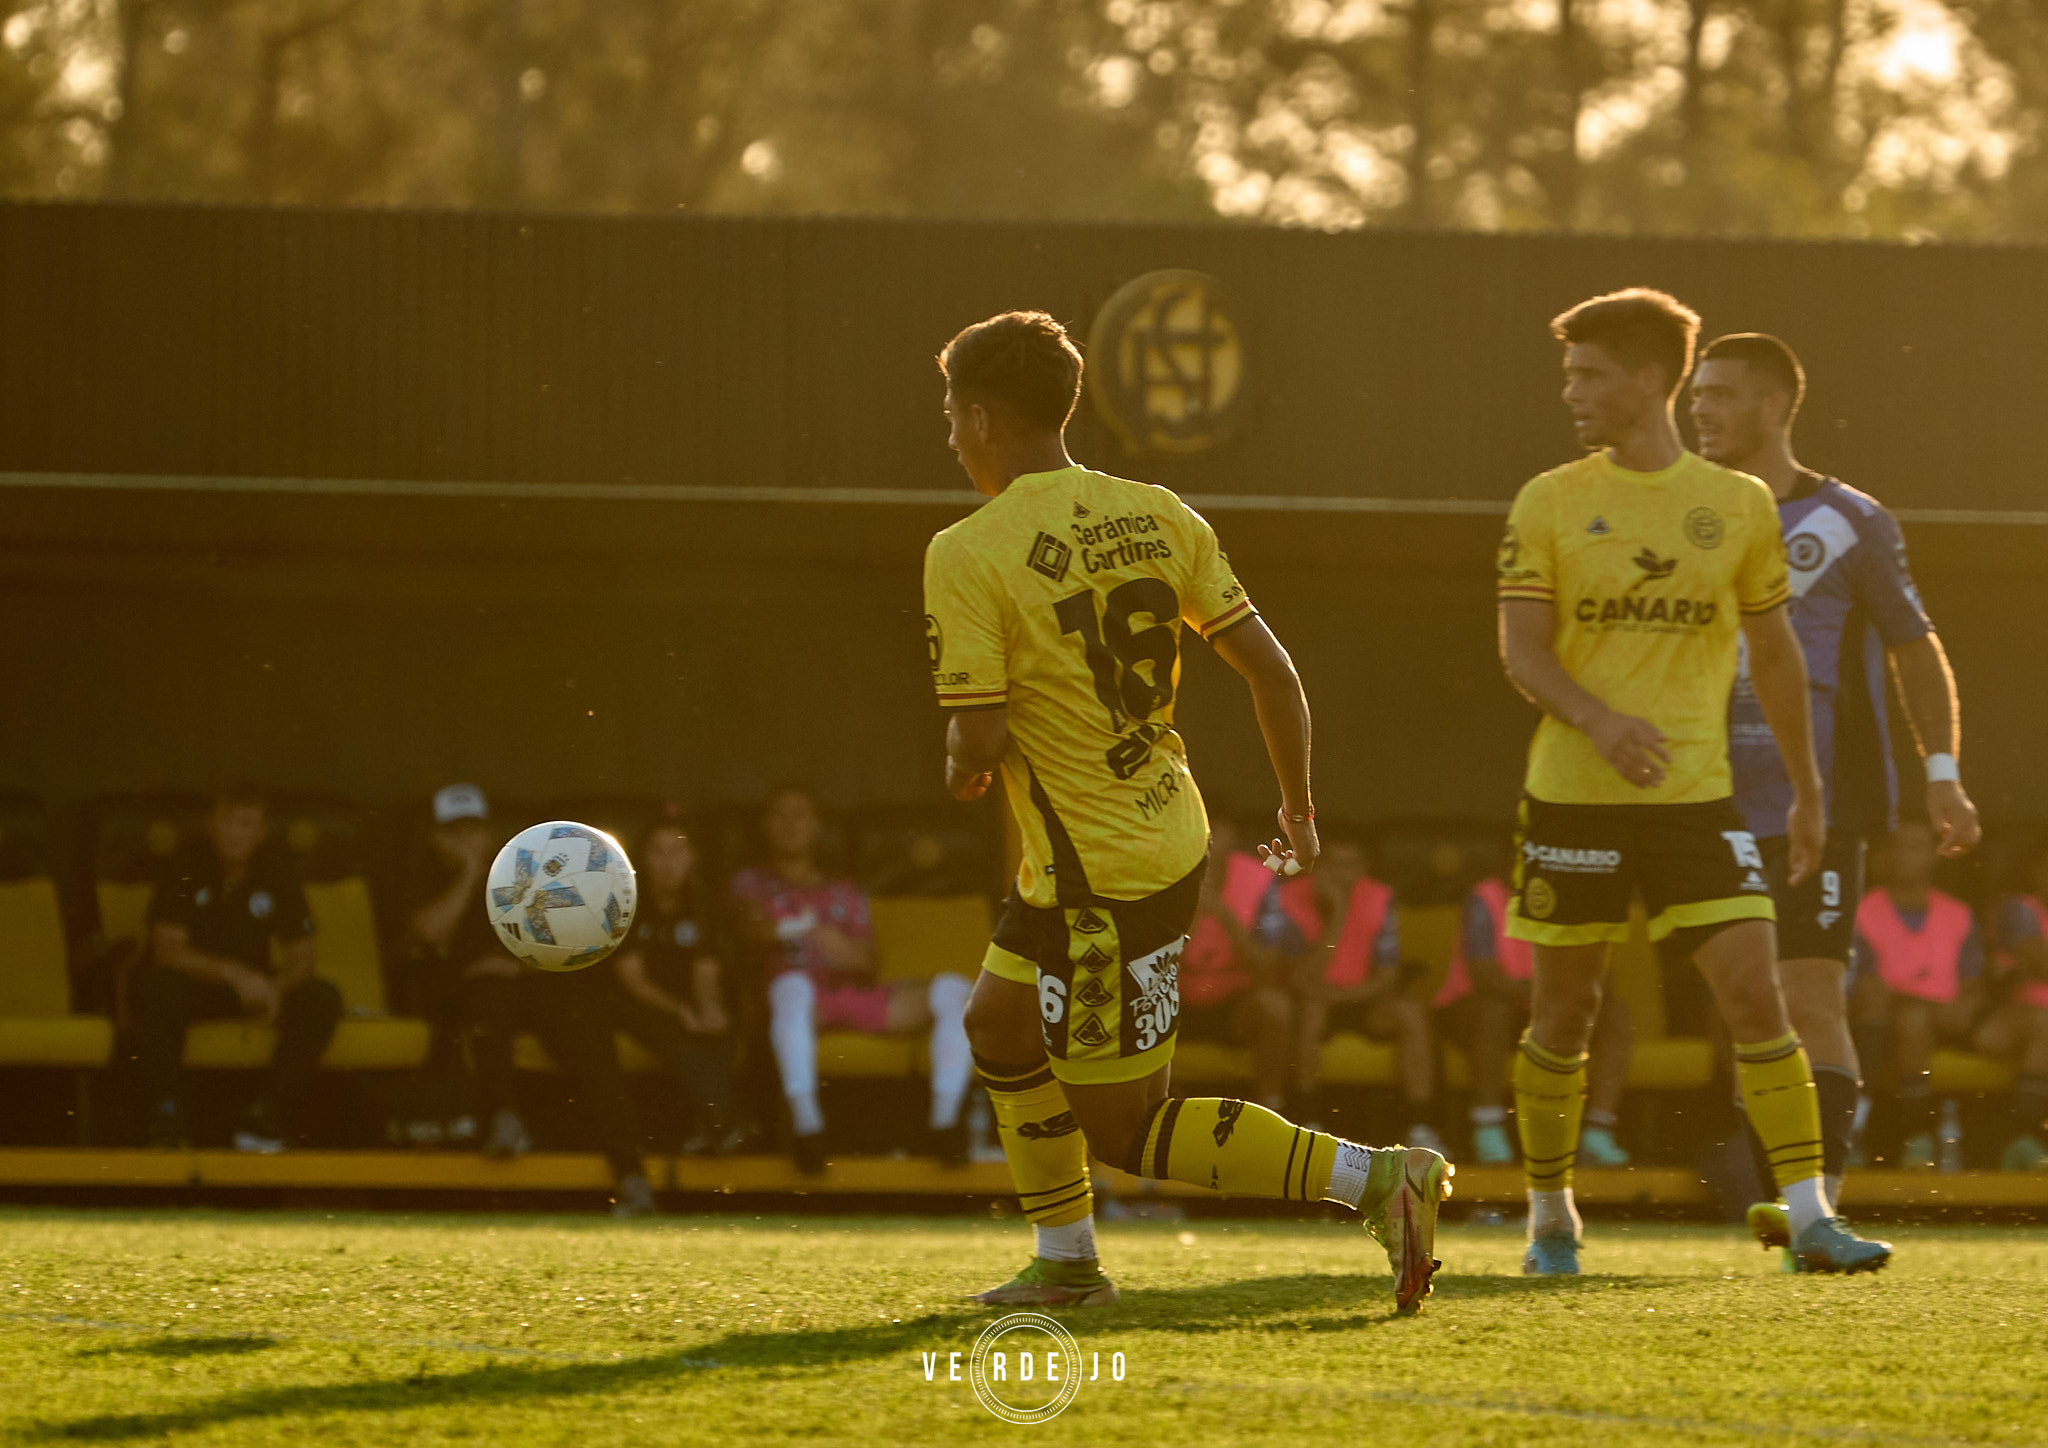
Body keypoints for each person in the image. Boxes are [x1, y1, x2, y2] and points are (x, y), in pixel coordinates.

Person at [927, 309, 1450, 1316]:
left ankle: (1381, 1181)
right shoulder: (1157, 511)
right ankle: (1066, 1255)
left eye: (950, 414)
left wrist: (960, 760)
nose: (948, 437)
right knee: (996, 1021)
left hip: (1100, 870)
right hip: (1152, 825)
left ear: (983, 415)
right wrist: (1298, 806)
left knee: (1124, 1127)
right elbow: (1272, 670)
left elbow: (978, 742)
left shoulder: (967, 549)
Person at [1495, 287, 1888, 1274]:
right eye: (1568, 374)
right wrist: (1597, 717)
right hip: (1572, 797)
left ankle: (1806, 1214)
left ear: (1644, 379)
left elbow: (1777, 659)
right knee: (1564, 1013)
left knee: (1757, 997)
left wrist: (1804, 791)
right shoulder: (1547, 498)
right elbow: (1521, 652)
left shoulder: (1735, 507)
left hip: (1694, 804)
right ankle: (1550, 1215)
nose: (1570, 391)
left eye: (1587, 374)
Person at [1690, 331, 1983, 1239]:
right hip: (1702, 800)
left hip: (1823, 796)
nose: (1700, 410)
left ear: (1777, 405)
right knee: (1748, 1003)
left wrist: (1942, 772)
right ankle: (1786, 1187)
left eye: (1722, 395)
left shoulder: (1850, 520)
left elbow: (1913, 646)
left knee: (1808, 994)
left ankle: (1816, 1203)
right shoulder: (1680, 515)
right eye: (1695, 394)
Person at [403, 783, 655, 1218]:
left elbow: (562, 941)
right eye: (454, 831)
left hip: (528, 987)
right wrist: (468, 874)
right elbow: (427, 935)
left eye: (475, 830)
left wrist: (515, 967)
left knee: (586, 1026)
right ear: (435, 837)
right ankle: (503, 1118)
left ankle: (631, 1175)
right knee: (489, 995)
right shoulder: (415, 874)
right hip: (455, 1001)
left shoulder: (521, 874)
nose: (467, 840)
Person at [731, 784, 973, 1173]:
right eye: (780, 814)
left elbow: (866, 961)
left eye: (801, 815)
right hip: (793, 1003)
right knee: (791, 988)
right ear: (764, 825)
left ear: (817, 826)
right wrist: (800, 931)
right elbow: (749, 931)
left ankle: (945, 1126)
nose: (791, 825)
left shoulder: (842, 890)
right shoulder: (751, 883)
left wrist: (831, 941)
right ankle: (808, 1129)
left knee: (955, 989)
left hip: (850, 995)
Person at [124, 785, 340, 1152]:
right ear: (211, 824)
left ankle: (265, 1113)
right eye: (227, 822)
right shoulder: (185, 864)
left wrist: (276, 988)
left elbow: (303, 958)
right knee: (156, 985)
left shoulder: (277, 869)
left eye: (245, 824)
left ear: (261, 833)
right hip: (197, 987)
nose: (235, 833)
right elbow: (167, 950)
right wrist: (235, 975)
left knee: (322, 996)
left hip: (256, 992)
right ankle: (168, 1116)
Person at [1436, 868, 1633, 1167]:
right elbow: (1484, 977)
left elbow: (1603, 979)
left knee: (1616, 1014)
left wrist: (1562, 994)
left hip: (1545, 1006)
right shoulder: (1484, 897)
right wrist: (1557, 990)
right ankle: (1488, 1128)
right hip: (1482, 1006)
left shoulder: (1577, 897)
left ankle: (1597, 1132)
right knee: (1494, 1012)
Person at [1848, 820, 1985, 1170]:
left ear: (1935, 856)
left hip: (1944, 1023)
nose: (1905, 855)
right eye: (1899, 845)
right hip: (1875, 1026)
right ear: (1884, 854)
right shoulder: (1860, 909)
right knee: (1904, 1015)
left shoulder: (1958, 913)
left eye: (1916, 846)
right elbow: (1856, 985)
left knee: (1917, 1018)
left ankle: (1916, 1134)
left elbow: (1972, 987)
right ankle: (1909, 1133)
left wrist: (1963, 1006)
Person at [1295, 837, 1445, 1154]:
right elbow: (1300, 978)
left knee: (1411, 1012)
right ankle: (1309, 1121)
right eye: (1334, 864)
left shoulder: (1379, 897)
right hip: (1313, 1000)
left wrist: (1348, 995)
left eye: (1351, 865)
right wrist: (1337, 914)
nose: (1342, 873)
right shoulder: (1292, 898)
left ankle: (1422, 1126)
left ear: (1363, 869)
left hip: (1364, 999)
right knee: (1310, 1011)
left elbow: (1387, 974)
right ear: (1320, 867)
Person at [607, 807, 742, 1156]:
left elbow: (705, 971)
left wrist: (708, 1008)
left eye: (678, 850)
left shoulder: (702, 905)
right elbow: (634, 981)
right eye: (658, 851)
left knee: (719, 1029)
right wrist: (682, 1010)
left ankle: (711, 1128)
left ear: (692, 857)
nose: (669, 862)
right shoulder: (625, 902)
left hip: (685, 998)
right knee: (675, 1031)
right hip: (635, 1001)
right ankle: (721, 1125)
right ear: (643, 857)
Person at [1177, 819, 1298, 1113]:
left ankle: (1274, 1109)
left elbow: (1266, 967)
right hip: (1174, 999)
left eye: (1218, 829)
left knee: (1275, 1005)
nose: (1210, 839)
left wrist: (1223, 914)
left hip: (1234, 1002)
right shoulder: (1164, 871)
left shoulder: (1260, 880)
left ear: (1232, 834)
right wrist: (1192, 917)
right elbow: (1151, 962)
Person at [1985, 841, 2048, 1169]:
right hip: (2008, 1019)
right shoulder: (2018, 908)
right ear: (2038, 870)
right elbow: (2040, 960)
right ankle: (2023, 1137)